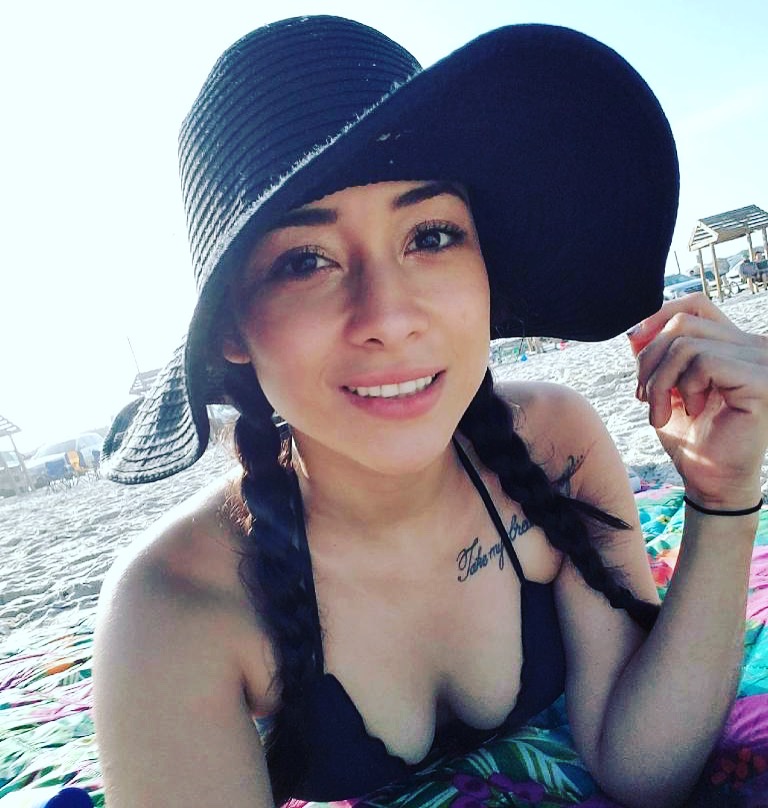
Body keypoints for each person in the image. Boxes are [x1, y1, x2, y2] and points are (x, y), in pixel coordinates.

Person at [92, 16, 768, 808]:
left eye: (431, 235)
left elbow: (643, 770)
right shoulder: (172, 609)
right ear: (231, 328)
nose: (390, 316)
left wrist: (723, 494)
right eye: (307, 260)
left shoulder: (557, 445)